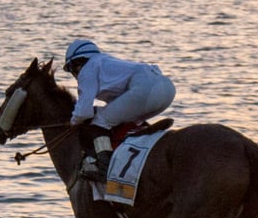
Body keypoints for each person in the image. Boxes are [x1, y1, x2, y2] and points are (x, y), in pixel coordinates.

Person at [63, 39, 176, 182]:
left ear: (76, 64)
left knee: (99, 122)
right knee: (128, 121)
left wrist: (72, 123)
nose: (74, 74)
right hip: (167, 88)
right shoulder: (105, 62)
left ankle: (103, 168)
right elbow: (119, 105)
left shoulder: (87, 69)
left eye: (71, 70)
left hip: (145, 89)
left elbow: (84, 112)